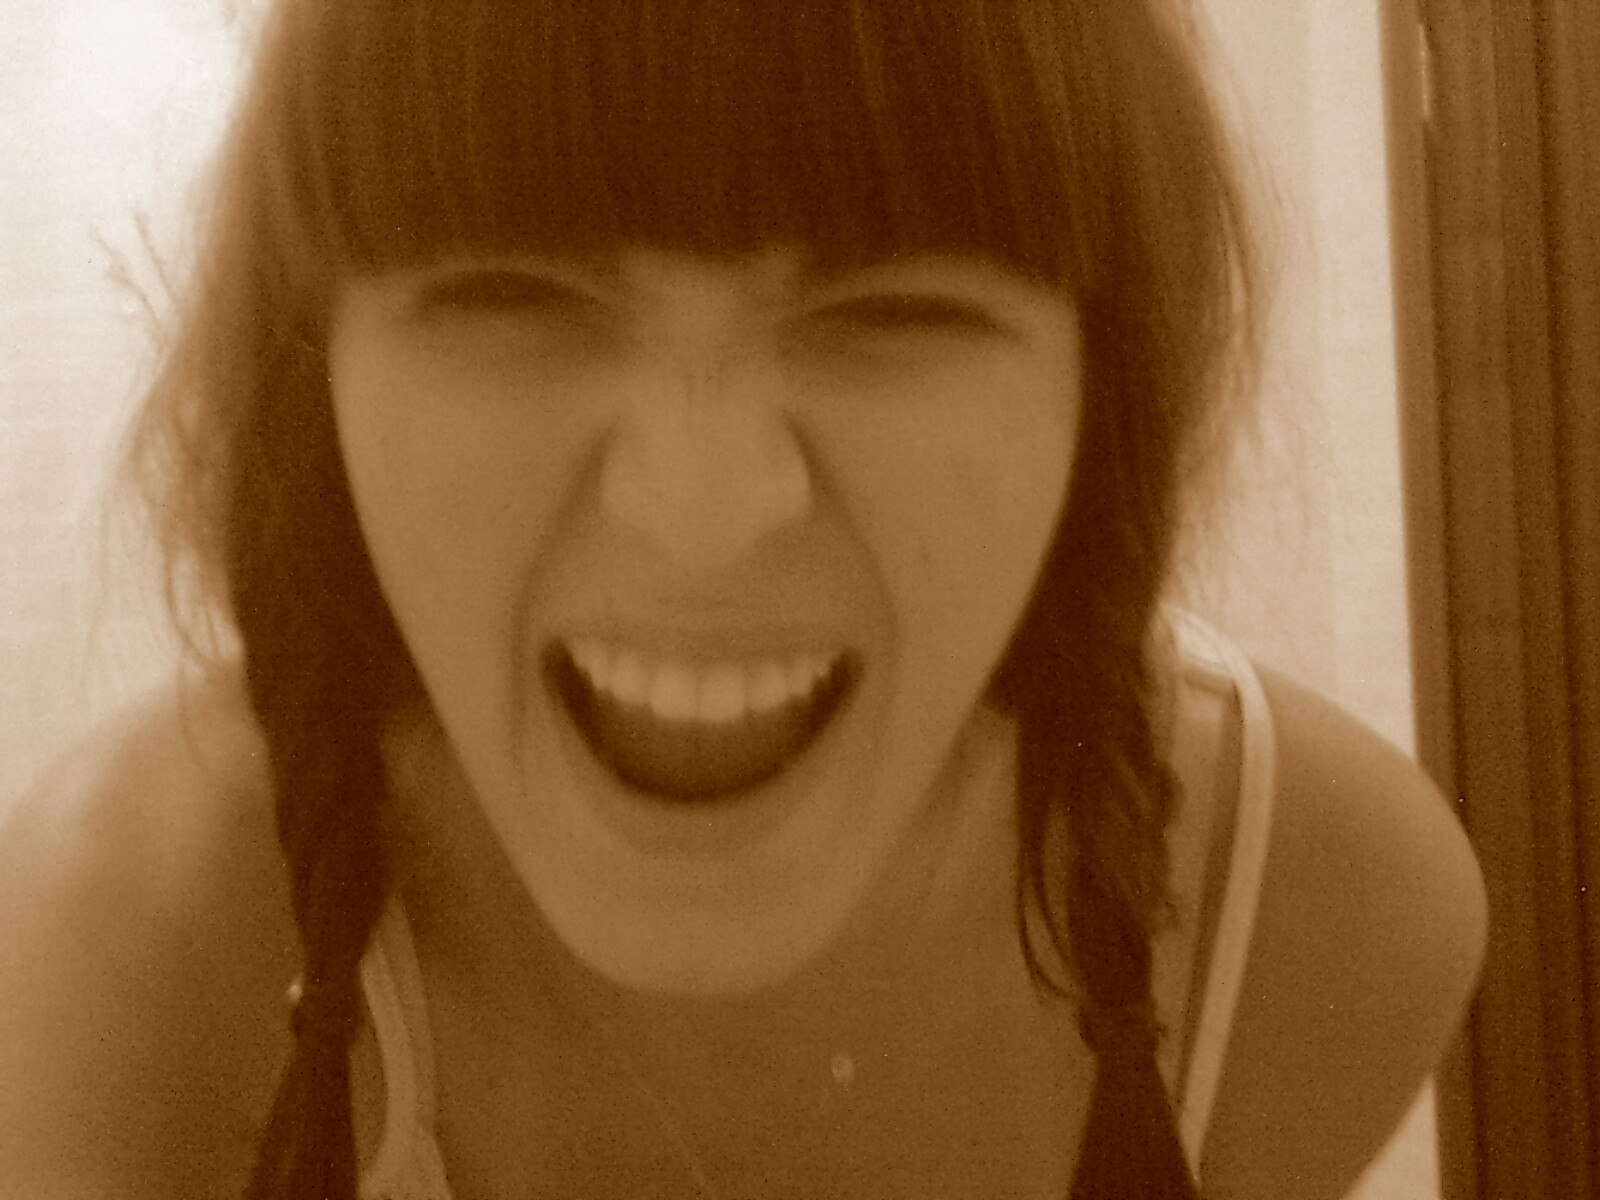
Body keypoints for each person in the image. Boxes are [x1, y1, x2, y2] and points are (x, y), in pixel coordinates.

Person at [0, 1, 1487, 1197]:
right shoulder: (120, 968)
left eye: (896, 308)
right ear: (312, 390)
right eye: (514, 294)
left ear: (1103, 403)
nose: (701, 515)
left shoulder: (1316, 920)